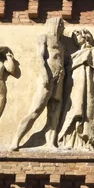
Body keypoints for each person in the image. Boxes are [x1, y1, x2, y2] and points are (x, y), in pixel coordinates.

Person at [11, 17, 65, 151]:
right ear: (55, 25)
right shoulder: (44, 38)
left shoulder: (62, 46)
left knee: (54, 113)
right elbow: (40, 57)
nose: (63, 29)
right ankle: (15, 141)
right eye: (61, 25)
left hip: (59, 81)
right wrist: (45, 73)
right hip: (47, 79)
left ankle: (51, 143)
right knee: (35, 110)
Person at [0, 41, 19, 128]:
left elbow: (11, 69)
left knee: (1, 100)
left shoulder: (0, 61)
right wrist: (3, 48)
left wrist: (9, 57)